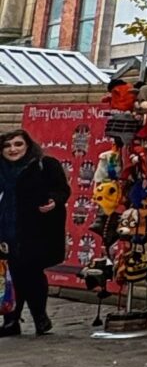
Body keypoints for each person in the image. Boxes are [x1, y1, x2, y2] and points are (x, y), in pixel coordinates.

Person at [0, 131, 71, 338]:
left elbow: (61, 190)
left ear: (28, 146)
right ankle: (11, 320)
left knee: (31, 273)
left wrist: (53, 200)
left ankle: (40, 317)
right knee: (11, 275)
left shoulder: (45, 165)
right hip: (6, 231)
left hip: (35, 231)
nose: (13, 149)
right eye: (7, 145)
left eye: (18, 144)